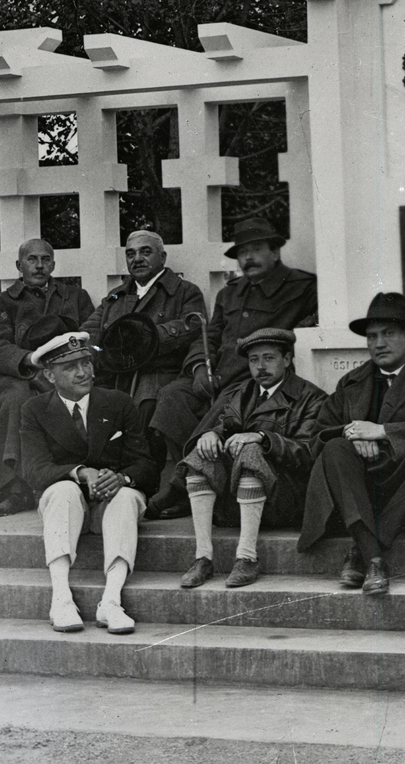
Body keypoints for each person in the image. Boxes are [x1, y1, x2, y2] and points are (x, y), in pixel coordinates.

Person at [298, 293, 405, 597]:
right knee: (335, 449)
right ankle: (374, 558)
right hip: (362, 487)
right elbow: (318, 435)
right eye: (371, 336)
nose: (378, 343)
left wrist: (382, 432)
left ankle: (363, 552)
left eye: (388, 333)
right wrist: (352, 433)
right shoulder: (352, 382)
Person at [146, 217, 318, 519]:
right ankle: (198, 481)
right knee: (173, 396)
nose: (248, 257)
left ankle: (181, 486)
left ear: (275, 251)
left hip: (255, 377)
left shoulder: (302, 287)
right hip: (217, 374)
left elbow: (305, 331)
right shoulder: (230, 293)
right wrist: (199, 367)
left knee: (224, 408)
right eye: (242, 252)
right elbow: (210, 336)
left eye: (256, 249)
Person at [17, 320, 158, 634]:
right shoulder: (34, 410)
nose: (83, 373)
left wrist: (121, 478)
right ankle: (61, 599)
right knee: (62, 491)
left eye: (86, 363)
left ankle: (111, 601)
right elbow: (34, 471)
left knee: (126, 495)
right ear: (50, 376)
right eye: (70, 367)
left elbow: (147, 465)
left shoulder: (118, 403)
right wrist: (79, 472)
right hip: (69, 509)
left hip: (111, 506)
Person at [176, 328, 326, 589]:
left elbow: (309, 452)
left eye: (269, 358)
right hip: (241, 497)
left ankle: (247, 557)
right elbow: (227, 426)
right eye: (254, 360)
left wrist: (264, 438)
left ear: (287, 359)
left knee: (251, 450)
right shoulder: (244, 392)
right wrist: (211, 434)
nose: (260, 367)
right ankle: (203, 558)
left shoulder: (311, 397)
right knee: (202, 452)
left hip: (285, 498)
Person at [0, 238, 94, 516]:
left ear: (53, 264)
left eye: (45, 259)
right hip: (19, 375)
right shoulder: (2, 302)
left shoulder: (75, 297)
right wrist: (32, 362)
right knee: (16, 399)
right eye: (32, 259)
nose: (39, 265)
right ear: (19, 265)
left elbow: (92, 332)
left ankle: (78, 480)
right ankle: (13, 491)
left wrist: (67, 364)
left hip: (67, 370)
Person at [79, 230, 206, 429]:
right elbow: (91, 330)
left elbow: (192, 327)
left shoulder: (185, 291)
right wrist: (87, 354)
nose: (137, 259)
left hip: (158, 373)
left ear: (162, 257)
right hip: (116, 375)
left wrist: (144, 338)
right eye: (131, 254)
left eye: (145, 252)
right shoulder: (116, 295)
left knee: (143, 410)